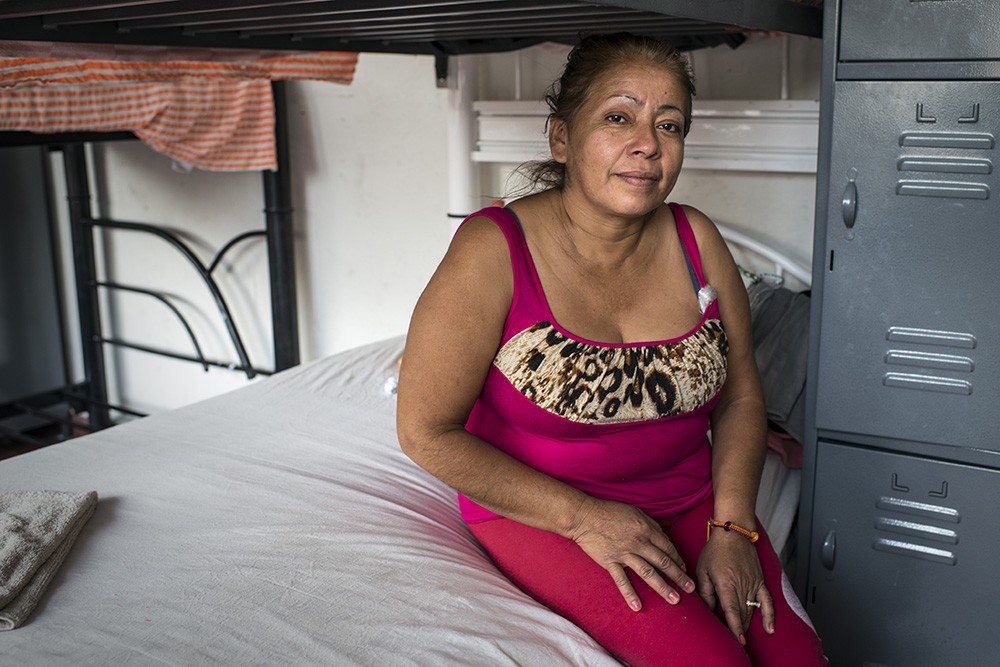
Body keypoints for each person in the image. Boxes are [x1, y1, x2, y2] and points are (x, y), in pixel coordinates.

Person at [396, 32, 826, 667]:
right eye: (618, 117)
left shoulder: (696, 239)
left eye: (670, 124)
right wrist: (581, 519)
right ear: (562, 138)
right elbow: (425, 432)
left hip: (693, 502)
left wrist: (733, 525)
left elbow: (739, 398)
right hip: (544, 509)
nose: (648, 144)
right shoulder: (493, 250)